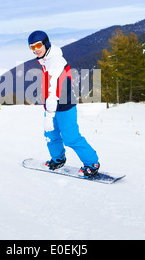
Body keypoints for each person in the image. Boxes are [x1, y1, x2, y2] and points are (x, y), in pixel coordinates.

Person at [28, 30, 100, 178]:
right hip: (52, 106)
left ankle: (92, 163)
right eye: (32, 47)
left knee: (71, 137)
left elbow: (54, 90)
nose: (36, 49)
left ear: (46, 43)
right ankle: (58, 159)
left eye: (38, 45)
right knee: (51, 135)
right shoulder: (46, 60)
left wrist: (49, 115)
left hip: (65, 106)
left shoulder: (56, 62)